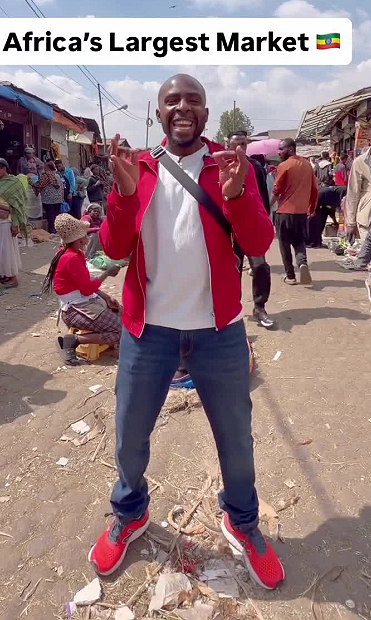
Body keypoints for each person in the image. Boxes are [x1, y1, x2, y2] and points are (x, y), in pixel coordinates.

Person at [89, 74, 284, 589]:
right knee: (131, 434)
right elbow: (113, 247)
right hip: (147, 332)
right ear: (158, 113)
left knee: (236, 441)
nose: (182, 107)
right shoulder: (139, 168)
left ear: (205, 113)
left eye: (192, 100)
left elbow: (259, 242)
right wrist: (123, 194)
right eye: (172, 100)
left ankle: (242, 522)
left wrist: (237, 195)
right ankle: (130, 513)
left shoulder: (231, 165)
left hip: (219, 332)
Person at [42, 214, 121, 365]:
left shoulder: (74, 253)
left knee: (122, 316)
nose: (88, 236)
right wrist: (107, 273)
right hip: (74, 310)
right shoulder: (70, 258)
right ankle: (74, 340)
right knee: (121, 331)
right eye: (85, 234)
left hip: (82, 301)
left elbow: (84, 284)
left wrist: (105, 297)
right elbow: (86, 289)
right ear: (79, 240)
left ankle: (103, 340)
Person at [228, 131, 273, 328]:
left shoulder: (255, 167)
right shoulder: (220, 166)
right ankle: (233, 308)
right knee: (231, 269)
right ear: (228, 145)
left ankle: (259, 307)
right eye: (236, 144)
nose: (240, 147)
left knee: (260, 266)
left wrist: (265, 221)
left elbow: (263, 196)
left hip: (253, 227)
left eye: (243, 144)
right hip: (229, 228)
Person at [271, 138, 318, 285]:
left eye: (281, 149)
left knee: (284, 245)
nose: (279, 152)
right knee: (299, 242)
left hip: (284, 212)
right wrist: (312, 208)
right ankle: (302, 263)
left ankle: (290, 276)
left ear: (291, 149)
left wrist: (267, 207)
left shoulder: (284, 166)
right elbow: (314, 189)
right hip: (301, 213)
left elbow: (276, 191)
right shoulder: (308, 165)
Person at [0, 158, 27, 288]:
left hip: (6, 221)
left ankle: (13, 278)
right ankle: (4, 274)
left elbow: (17, 205)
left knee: (7, 250)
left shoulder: (13, 182)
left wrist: (15, 224)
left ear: (4, 169)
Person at [345, 128, 371, 242]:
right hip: (367, 219)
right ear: (369, 140)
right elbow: (353, 193)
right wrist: (350, 223)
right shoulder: (360, 162)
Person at [32, 161, 63, 234]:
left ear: (48, 167)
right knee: (56, 215)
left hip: (48, 199)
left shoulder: (45, 176)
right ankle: (57, 229)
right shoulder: (57, 176)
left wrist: (30, 182)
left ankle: (51, 230)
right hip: (58, 199)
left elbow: (39, 185)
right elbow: (61, 187)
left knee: (50, 215)